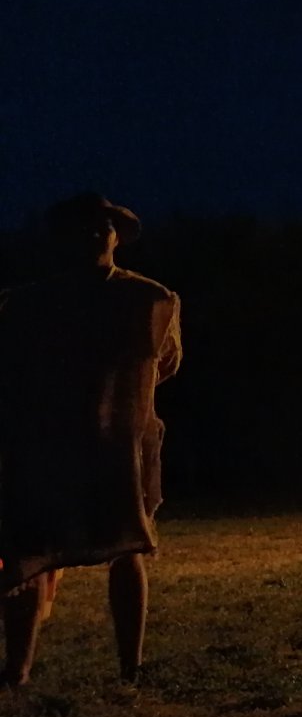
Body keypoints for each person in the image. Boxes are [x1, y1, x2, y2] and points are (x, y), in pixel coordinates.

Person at [0, 193, 183, 685]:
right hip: (46, 445)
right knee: (29, 553)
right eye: (82, 228)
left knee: (128, 546)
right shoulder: (26, 305)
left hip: (116, 446)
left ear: (116, 235)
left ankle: (132, 666)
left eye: (102, 226)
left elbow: (163, 364)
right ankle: (15, 670)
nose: (94, 235)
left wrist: (116, 398)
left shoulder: (150, 299)